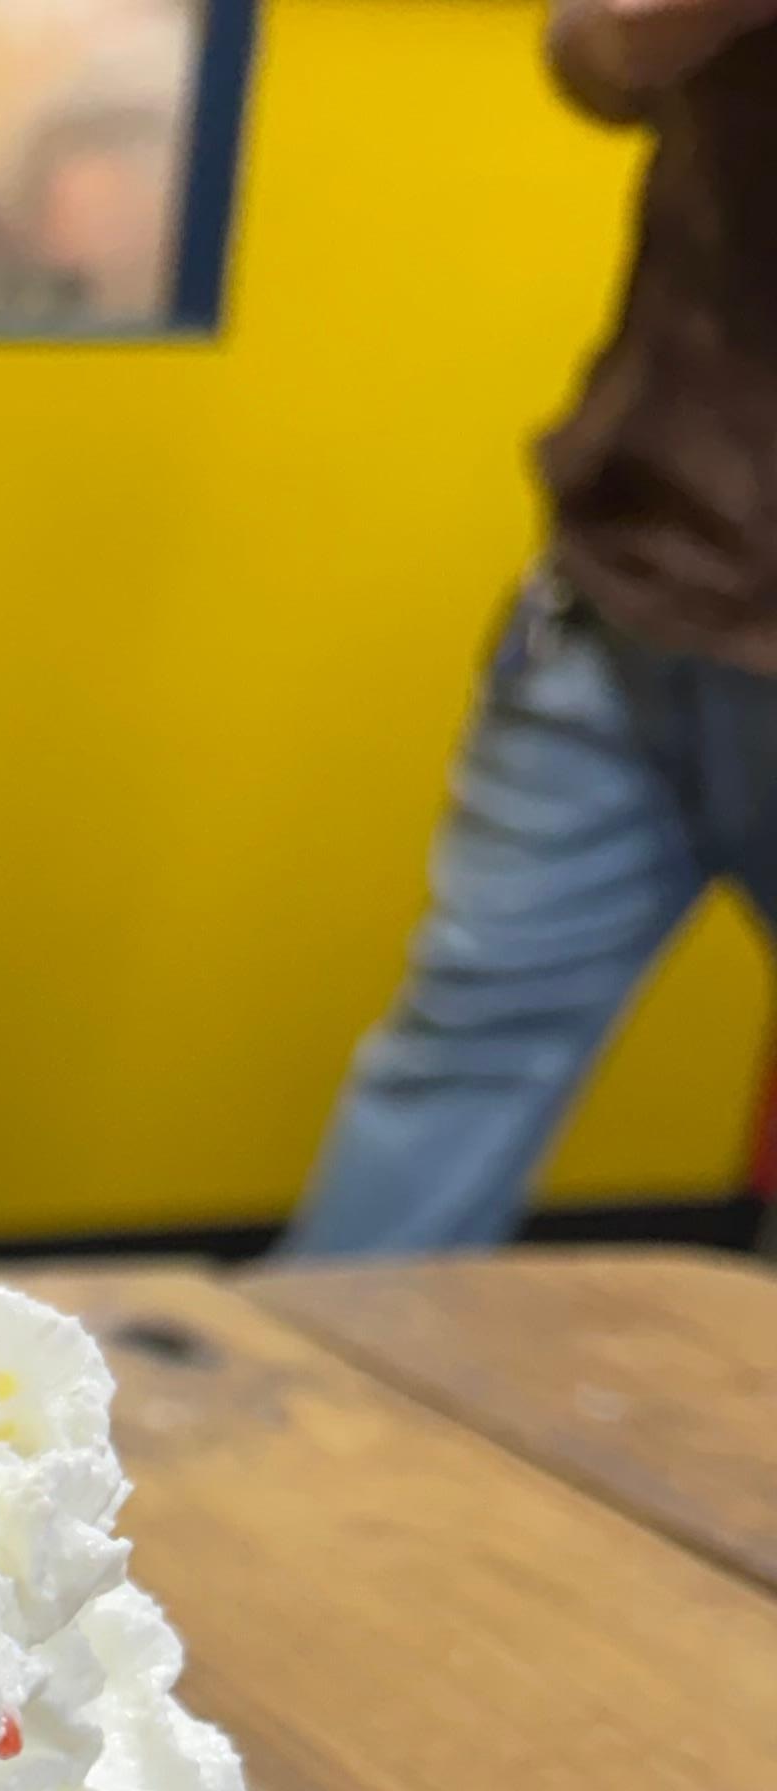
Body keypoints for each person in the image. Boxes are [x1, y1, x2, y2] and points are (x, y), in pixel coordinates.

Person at [285, 0, 777, 1256]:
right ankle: (319, 1378)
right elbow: (594, 56)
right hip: (632, 597)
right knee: (457, 1060)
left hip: (654, 598)